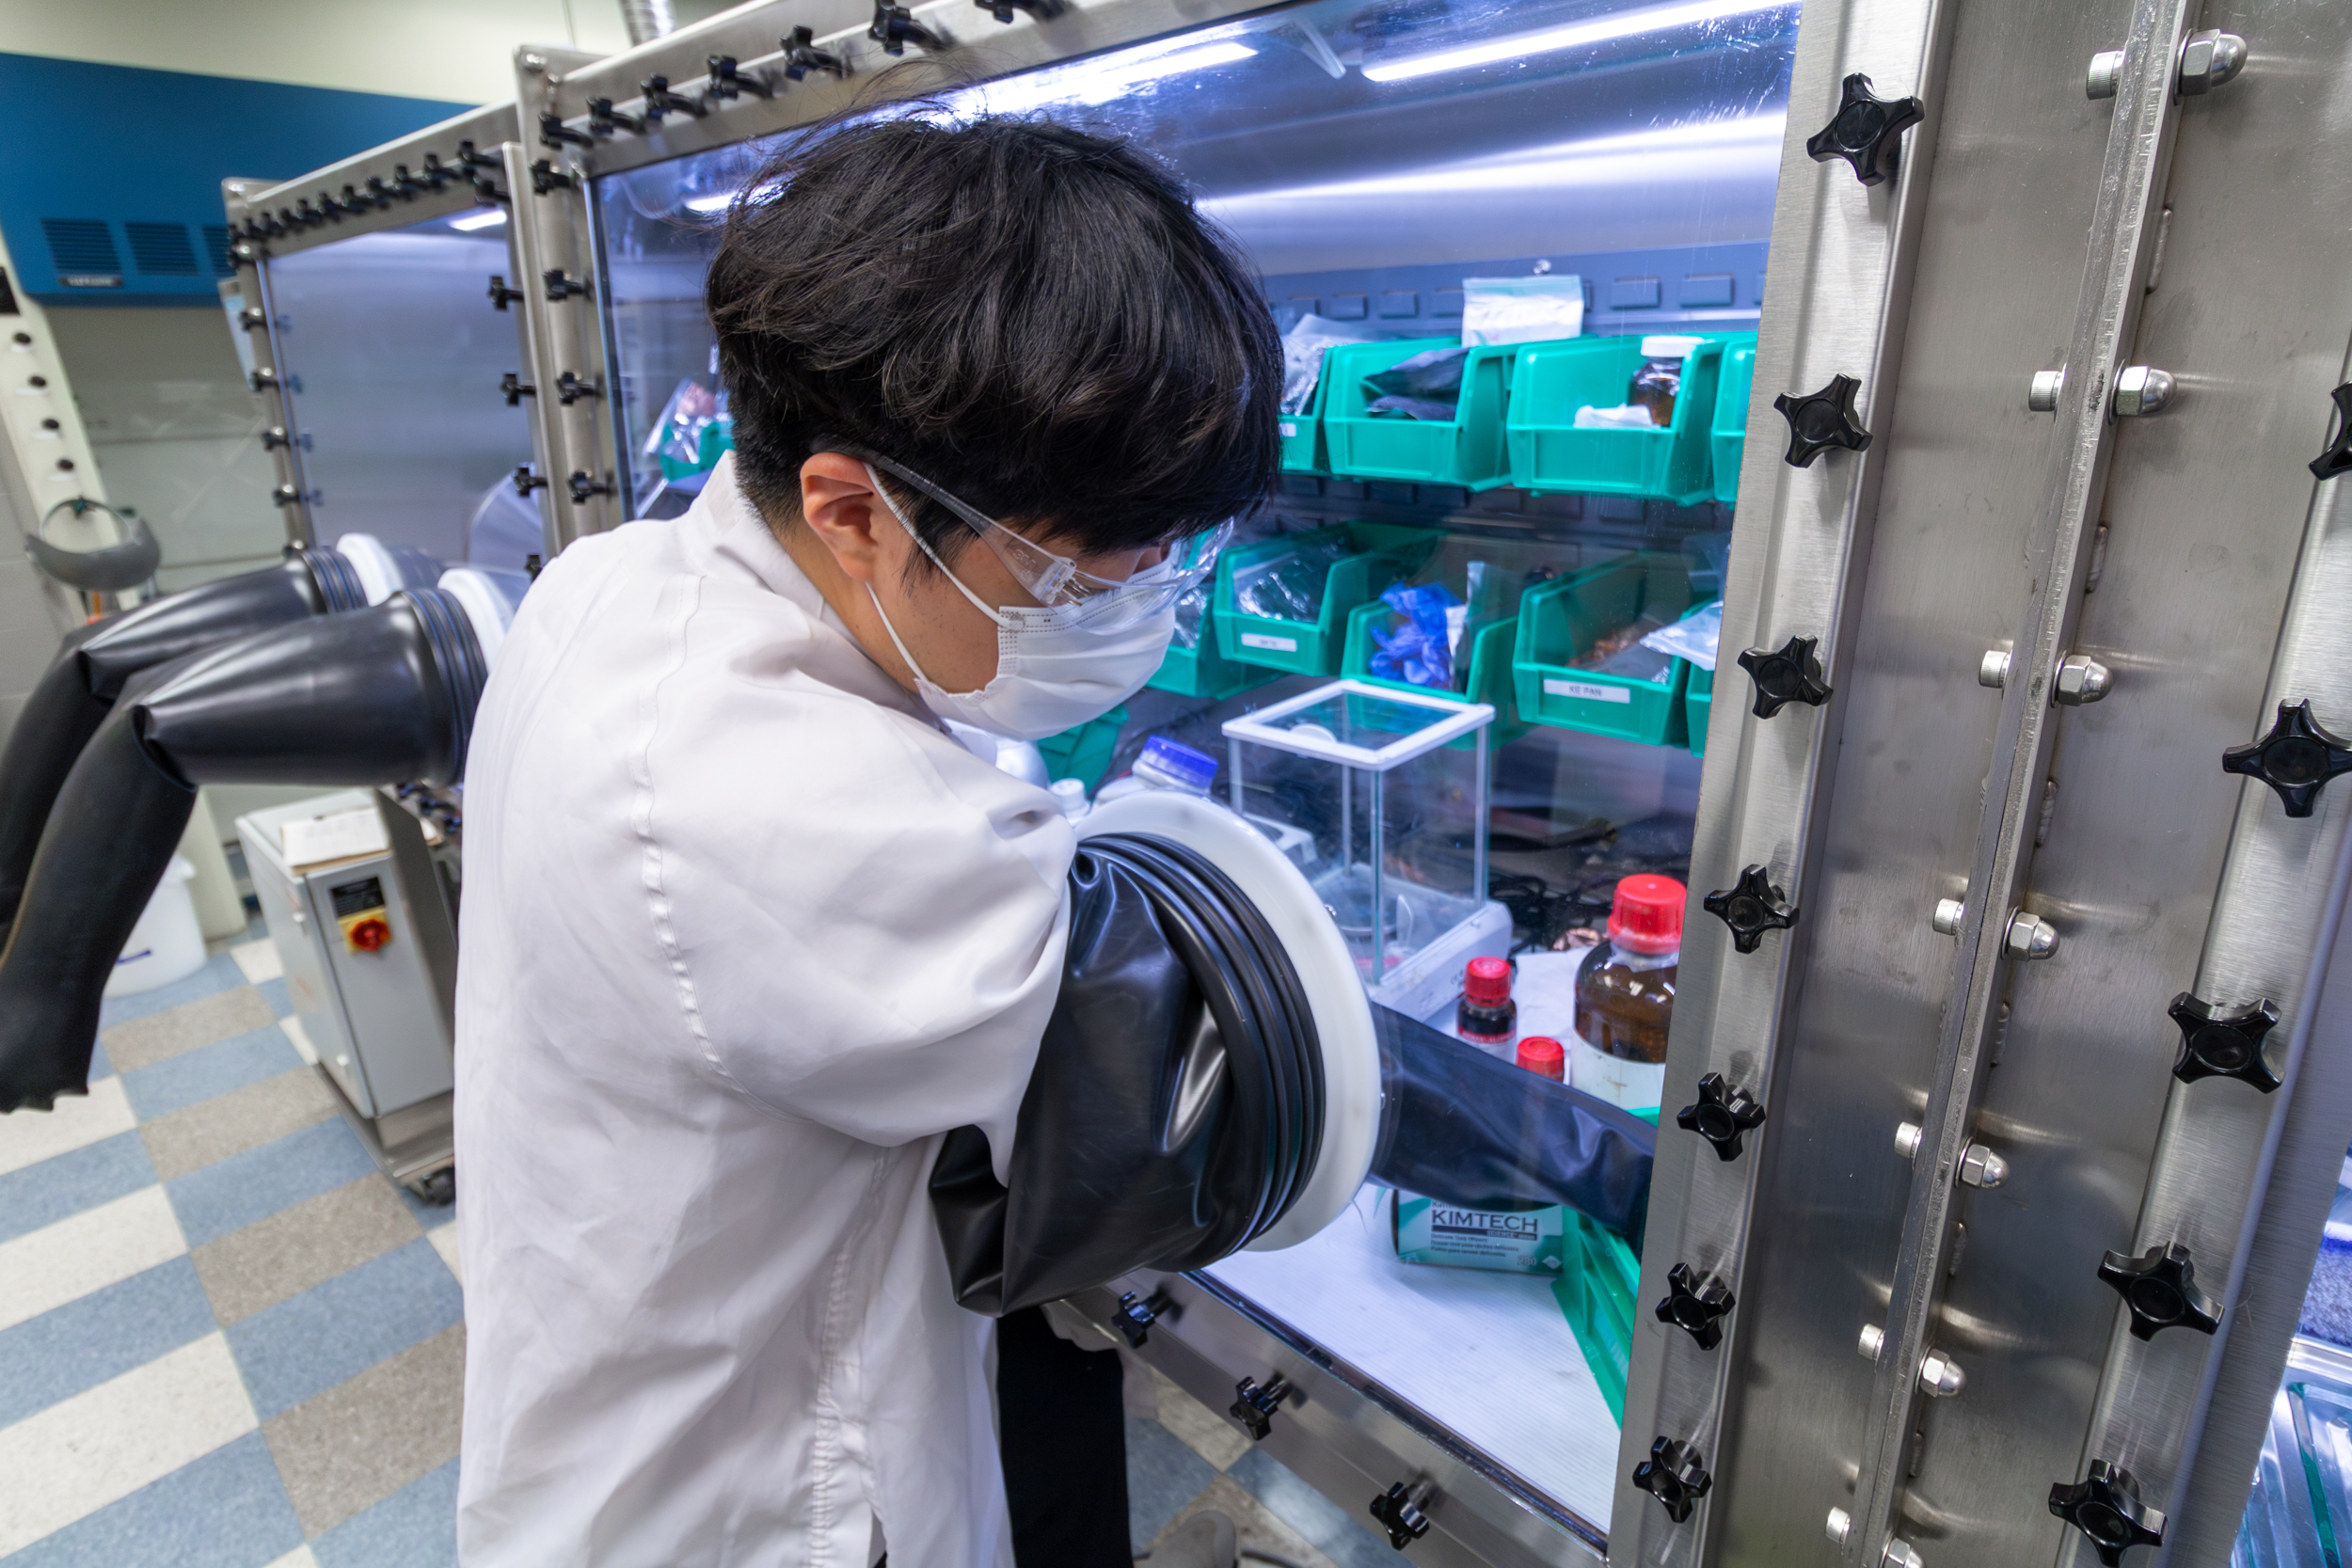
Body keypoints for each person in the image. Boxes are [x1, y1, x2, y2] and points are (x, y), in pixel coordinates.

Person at [450, 108, 1280, 1567]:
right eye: (1081, 580)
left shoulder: (612, 578)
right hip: (770, 1504)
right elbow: (1193, 1077)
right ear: (852, 510)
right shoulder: (784, 807)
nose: (1138, 607)